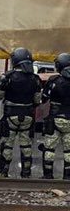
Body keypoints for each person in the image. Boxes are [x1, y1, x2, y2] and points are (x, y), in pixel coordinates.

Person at [0, 47, 42, 178]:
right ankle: (26, 173)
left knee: (7, 144)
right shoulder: (35, 78)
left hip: (11, 114)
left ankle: (3, 172)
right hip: (28, 114)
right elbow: (37, 100)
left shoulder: (8, 77)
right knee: (26, 145)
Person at [39, 52, 70, 180]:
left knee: (49, 148)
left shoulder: (54, 81)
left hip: (55, 118)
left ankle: (48, 175)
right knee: (68, 150)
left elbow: (44, 98)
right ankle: (67, 176)